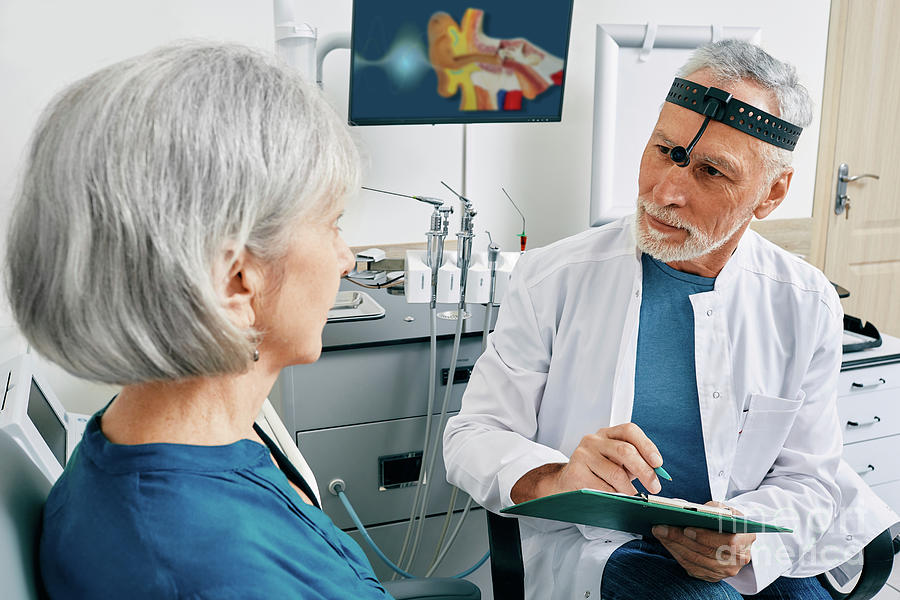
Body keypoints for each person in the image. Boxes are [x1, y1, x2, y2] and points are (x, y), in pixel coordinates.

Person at [443, 40, 897, 599]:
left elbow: (809, 477)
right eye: (664, 150)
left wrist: (742, 537)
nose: (666, 192)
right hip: (601, 545)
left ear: (771, 193)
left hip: (748, 538)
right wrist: (557, 478)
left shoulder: (805, 301)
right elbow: (472, 435)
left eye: (711, 171)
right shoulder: (551, 278)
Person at [5, 42, 393, 599]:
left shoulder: (139, 438)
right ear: (237, 281)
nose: (346, 258)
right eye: (332, 224)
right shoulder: (213, 572)